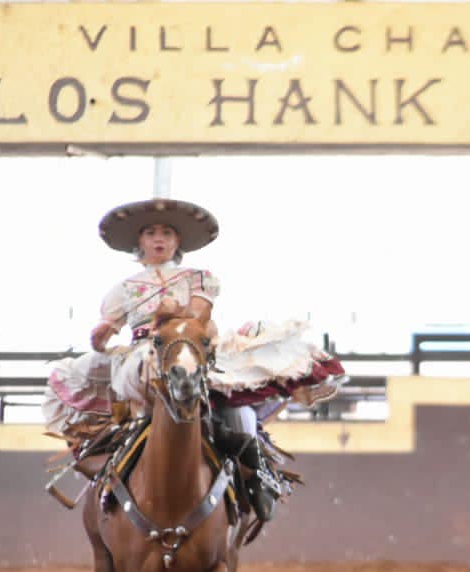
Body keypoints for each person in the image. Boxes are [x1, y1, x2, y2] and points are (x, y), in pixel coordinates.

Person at [42, 198, 344, 521]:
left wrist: (176, 314)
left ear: (178, 241)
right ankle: (106, 478)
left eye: (167, 233)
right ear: (139, 242)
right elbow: (107, 330)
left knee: (237, 411)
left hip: (188, 348)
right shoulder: (123, 290)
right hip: (143, 355)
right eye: (151, 233)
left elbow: (199, 313)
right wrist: (100, 336)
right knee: (94, 374)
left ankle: (258, 479)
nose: (159, 239)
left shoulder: (198, 277)